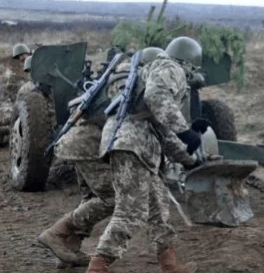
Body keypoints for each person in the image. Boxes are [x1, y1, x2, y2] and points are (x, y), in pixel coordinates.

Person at [37, 47, 169, 268]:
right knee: (114, 197)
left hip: (78, 143)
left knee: (93, 198)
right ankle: (58, 232)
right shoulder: (132, 85)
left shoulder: (121, 81)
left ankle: (69, 248)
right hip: (87, 145)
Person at [84, 38, 204, 273]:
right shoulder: (171, 68)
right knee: (131, 212)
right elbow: (157, 97)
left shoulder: (156, 70)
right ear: (190, 63)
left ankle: (169, 265)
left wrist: (190, 161)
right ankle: (97, 267)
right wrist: (185, 130)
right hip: (131, 144)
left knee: (158, 209)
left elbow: (162, 131)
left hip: (137, 144)